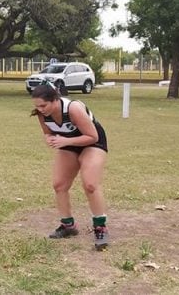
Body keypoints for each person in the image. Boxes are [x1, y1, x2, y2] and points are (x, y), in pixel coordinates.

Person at [31, 82, 109, 251]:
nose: (41, 109)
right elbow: (47, 133)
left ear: (55, 99)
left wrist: (65, 141)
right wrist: (49, 139)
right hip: (68, 142)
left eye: (43, 105)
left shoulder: (73, 109)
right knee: (59, 184)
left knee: (90, 184)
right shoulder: (41, 114)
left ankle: (100, 228)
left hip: (92, 141)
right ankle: (68, 226)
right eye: (37, 106)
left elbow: (92, 136)